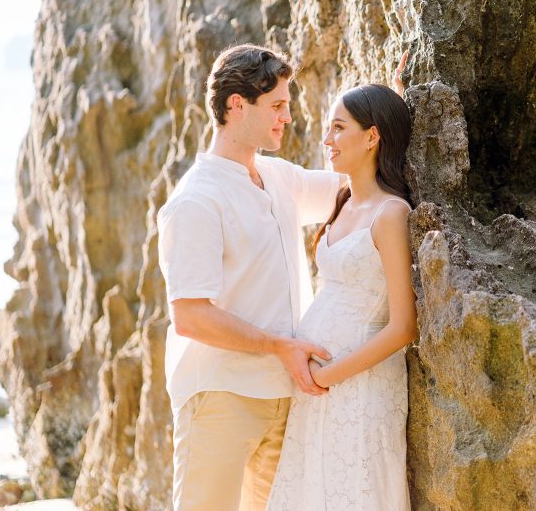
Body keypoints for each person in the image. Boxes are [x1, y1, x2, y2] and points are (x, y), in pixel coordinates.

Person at [157, 44, 341, 510]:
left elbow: (350, 185)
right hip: (220, 398)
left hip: (284, 395)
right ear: (237, 105)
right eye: (277, 105)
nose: (287, 116)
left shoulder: (278, 178)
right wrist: (280, 346)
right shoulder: (194, 202)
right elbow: (191, 318)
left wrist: (392, 106)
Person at [267, 83, 417, 510]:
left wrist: (328, 375)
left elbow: (405, 325)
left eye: (337, 128)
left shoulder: (391, 214)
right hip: (316, 387)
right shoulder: (342, 199)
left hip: (361, 385)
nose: (326, 140)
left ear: (372, 137)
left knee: (357, 491)